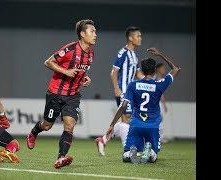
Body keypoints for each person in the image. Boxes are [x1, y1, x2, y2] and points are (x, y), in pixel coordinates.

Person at [26, 19, 97, 169]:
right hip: (55, 94)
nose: (95, 34)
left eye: (95, 31)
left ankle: (60, 158)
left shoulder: (90, 54)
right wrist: (66, 71)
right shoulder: (70, 49)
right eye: (92, 31)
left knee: (69, 125)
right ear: (83, 34)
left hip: (73, 96)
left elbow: (80, 71)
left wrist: (85, 78)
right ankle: (33, 132)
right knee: (46, 126)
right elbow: (48, 62)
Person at [106, 47, 180, 163]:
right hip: (153, 126)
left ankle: (131, 152)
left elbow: (123, 106)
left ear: (141, 70)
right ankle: (150, 152)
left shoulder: (133, 85)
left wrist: (111, 125)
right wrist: (160, 54)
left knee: (125, 156)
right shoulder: (159, 85)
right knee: (154, 157)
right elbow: (175, 69)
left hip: (136, 125)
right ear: (154, 71)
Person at [95, 26, 144, 156]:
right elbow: (113, 72)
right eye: (138, 36)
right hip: (123, 91)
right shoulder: (123, 53)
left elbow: (138, 74)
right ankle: (128, 149)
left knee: (126, 121)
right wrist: (117, 89)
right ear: (130, 37)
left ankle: (103, 140)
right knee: (127, 120)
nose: (140, 38)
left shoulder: (134, 55)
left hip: (131, 93)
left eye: (140, 36)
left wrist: (149, 82)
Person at [155, 63, 169, 143]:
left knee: (159, 119)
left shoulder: (158, 78)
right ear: (158, 69)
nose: (164, 70)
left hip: (157, 102)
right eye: (162, 68)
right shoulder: (157, 79)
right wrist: (164, 104)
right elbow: (159, 93)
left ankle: (159, 137)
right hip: (157, 102)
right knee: (159, 119)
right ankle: (160, 137)